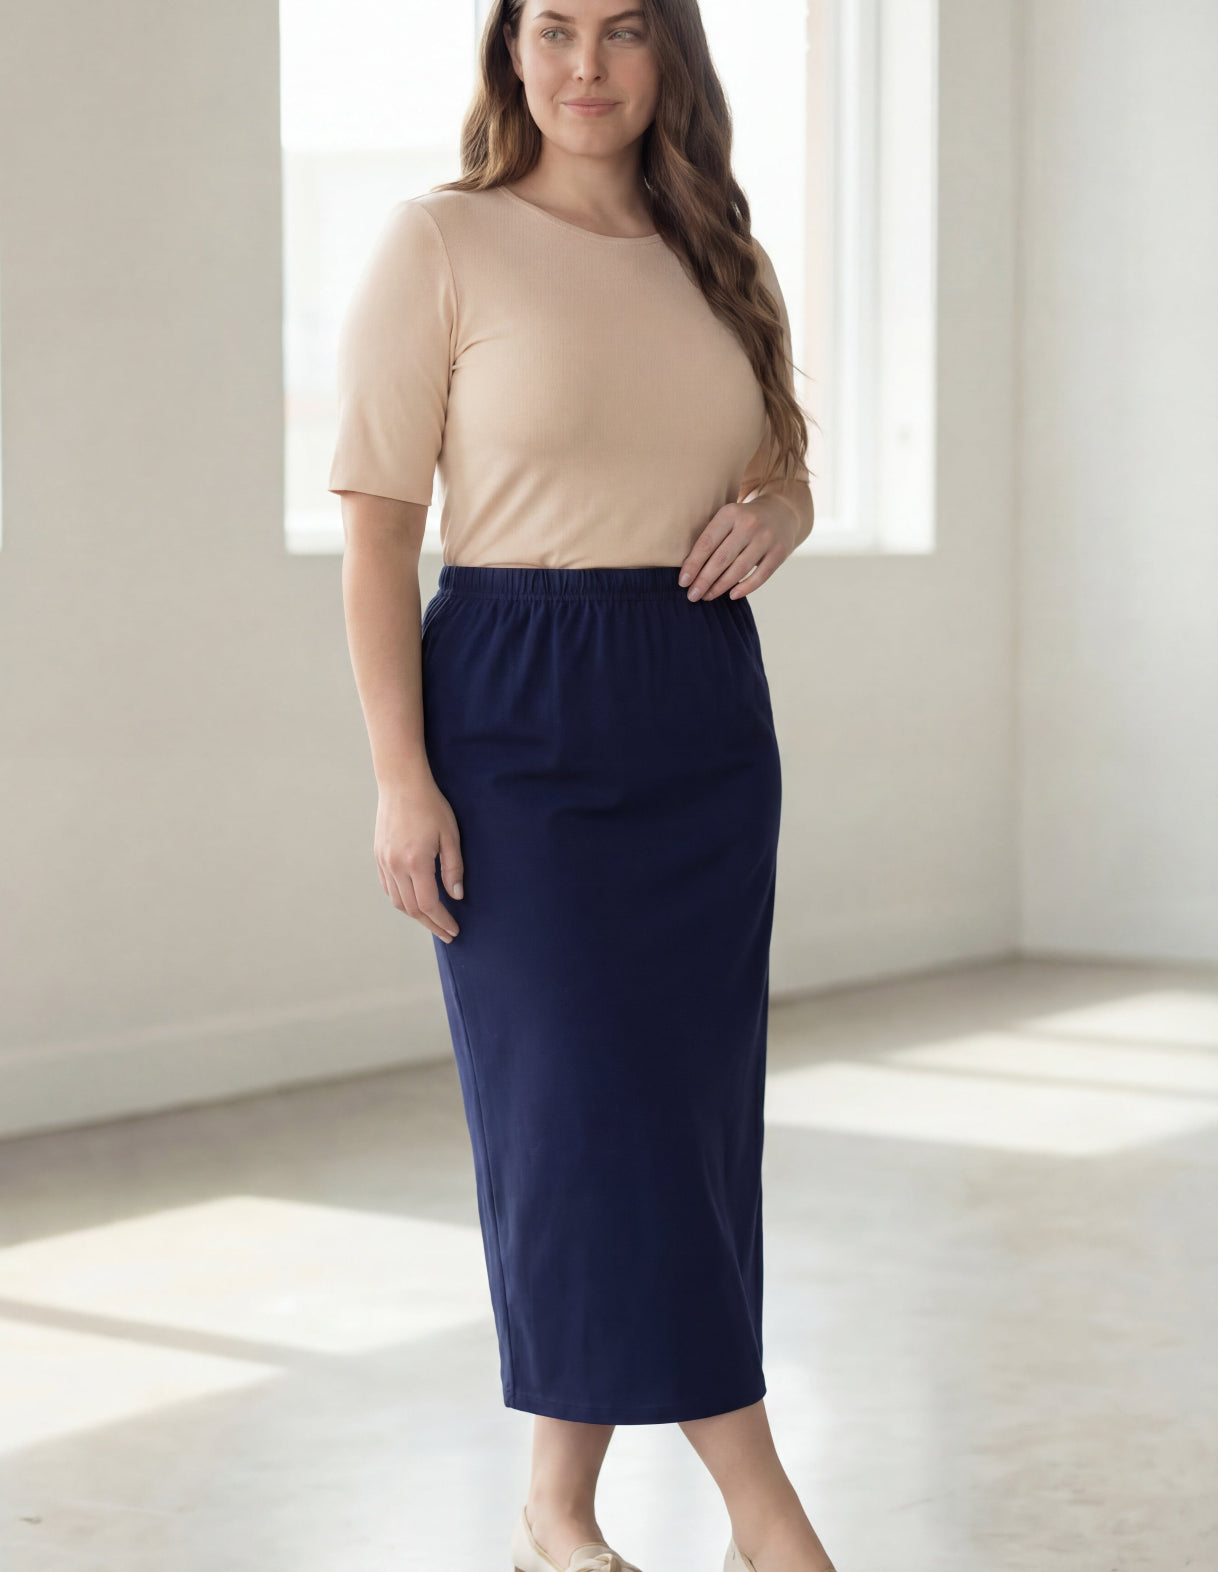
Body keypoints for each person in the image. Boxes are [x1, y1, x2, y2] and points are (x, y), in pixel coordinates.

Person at [331, 4, 835, 1570]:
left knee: (675, 1124)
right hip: (514, 711)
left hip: (698, 713)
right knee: (582, 1119)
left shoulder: (717, 255)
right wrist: (401, 779)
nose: (586, 66)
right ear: (510, 51)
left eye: (623, 30)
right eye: (552, 28)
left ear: (668, 55)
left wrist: (783, 514)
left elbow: (774, 462)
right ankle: (765, 1514)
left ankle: (556, 1514)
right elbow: (375, 535)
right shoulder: (441, 243)